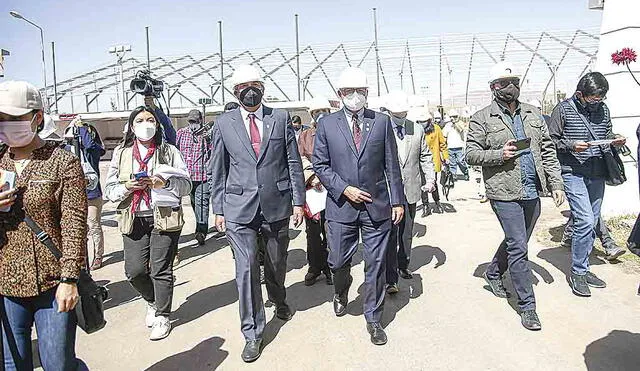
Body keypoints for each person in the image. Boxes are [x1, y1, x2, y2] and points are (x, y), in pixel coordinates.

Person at [209, 64, 305, 362]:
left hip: (276, 205)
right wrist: (218, 208)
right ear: (235, 92)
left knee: (276, 263)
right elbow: (218, 168)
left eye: (255, 85)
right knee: (247, 267)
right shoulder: (223, 124)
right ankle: (252, 332)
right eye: (243, 87)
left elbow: (292, 162)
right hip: (238, 208)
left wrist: (298, 201)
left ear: (263, 87)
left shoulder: (280, 118)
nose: (250, 91)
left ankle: (278, 297)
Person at [466, 62, 565, 331]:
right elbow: (470, 154)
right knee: (519, 246)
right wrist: (500, 154)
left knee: (516, 241)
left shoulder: (533, 113)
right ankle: (527, 306)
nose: (510, 87)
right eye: (504, 83)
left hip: (532, 189)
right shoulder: (482, 118)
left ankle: (494, 271)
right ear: (493, 88)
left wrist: (556, 183)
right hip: (504, 191)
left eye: (514, 82)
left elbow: (547, 150)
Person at [313, 67, 404, 346]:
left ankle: (374, 318)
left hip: (377, 206)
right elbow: (321, 164)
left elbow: (391, 163)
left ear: (367, 93)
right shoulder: (327, 125)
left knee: (375, 264)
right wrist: (344, 188)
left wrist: (397, 200)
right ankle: (341, 291)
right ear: (340, 95)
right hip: (341, 206)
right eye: (349, 92)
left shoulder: (381, 122)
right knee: (338, 260)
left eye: (360, 91)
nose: (355, 96)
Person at [0, 81, 86, 370]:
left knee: (58, 364)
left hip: (52, 285)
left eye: (14, 119)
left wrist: (70, 279)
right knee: (13, 365)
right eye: (1, 119)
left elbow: (74, 225)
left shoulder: (62, 162)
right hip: (6, 284)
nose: (6, 126)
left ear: (37, 118)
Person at [105, 105, 191, 341]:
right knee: (134, 271)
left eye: (150, 119)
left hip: (164, 216)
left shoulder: (169, 151)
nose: (146, 124)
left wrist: (166, 184)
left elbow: (186, 186)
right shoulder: (122, 154)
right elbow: (109, 190)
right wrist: (126, 187)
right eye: (141, 120)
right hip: (133, 217)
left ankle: (163, 314)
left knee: (161, 268)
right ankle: (153, 300)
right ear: (132, 127)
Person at [548, 72, 627, 297]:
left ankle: (584, 267)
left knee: (592, 222)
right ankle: (578, 272)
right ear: (580, 95)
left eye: (601, 98)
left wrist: (616, 139)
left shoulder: (603, 110)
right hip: (573, 172)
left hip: (598, 171)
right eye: (593, 98)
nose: (598, 102)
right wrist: (572, 145)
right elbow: (551, 141)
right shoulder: (563, 110)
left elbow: (607, 132)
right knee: (584, 220)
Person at [385, 92, 435, 294]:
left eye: (403, 112)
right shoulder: (381, 129)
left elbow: (425, 156)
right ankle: (390, 278)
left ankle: (403, 265)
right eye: (396, 113)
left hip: (411, 190)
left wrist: (430, 179)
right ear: (389, 112)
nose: (400, 116)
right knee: (389, 235)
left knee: (406, 233)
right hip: (388, 193)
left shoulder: (416, 129)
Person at [64, 116, 107, 270]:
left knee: (94, 224)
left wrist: (80, 127)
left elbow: (89, 144)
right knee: (77, 227)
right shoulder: (66, 152)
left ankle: (98, 255)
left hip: (92, 194)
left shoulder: (92, 152)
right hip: (73, 195)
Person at [298, 96, 333, 286]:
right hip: (312, 191)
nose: (321, 115)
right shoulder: (305, 136)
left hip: (332, 190)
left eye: (324, 112)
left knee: (330, 230)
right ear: (312, 115)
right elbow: (300, 158)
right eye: (317, 113)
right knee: (312, 232)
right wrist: (313, 176)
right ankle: (314, 267)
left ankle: (330, 268)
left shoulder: (337, 133)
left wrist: (326, 177)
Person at [176, 109, 211, 246]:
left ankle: (201, 231)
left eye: (195, 121)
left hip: (202, 176)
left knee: (202, 202)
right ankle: (200, 223)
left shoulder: (206, 135)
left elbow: (213, 151)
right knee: (194, 204)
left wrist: (207, 137)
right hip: (186, 177)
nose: (193, 124)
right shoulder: (181, 133)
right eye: (191, 121)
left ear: (201, 120)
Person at [415, 109, 448, 215]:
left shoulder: (436, 129)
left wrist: (446, 157)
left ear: (429, 120)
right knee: (422, 184)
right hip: (419, 161)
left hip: (433, 160)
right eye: (420, 121)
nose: (422, 123)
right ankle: (425, 206)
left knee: (432, 182)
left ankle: (437, 202)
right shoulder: (415, 130)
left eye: (424, 120)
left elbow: (443, 144)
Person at [442, 109, 469, 181]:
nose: (452, 118)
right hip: (450, 147)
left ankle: (465, 172)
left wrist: (456, 123)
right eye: (451, 117)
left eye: (454, 116)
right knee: (452, 163)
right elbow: (444, 135)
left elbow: (461, 129)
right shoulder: (448, 125)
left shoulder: (461, 124)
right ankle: (453, 175)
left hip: (459, 146)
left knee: (460, 161)